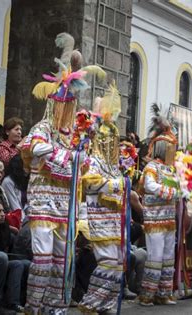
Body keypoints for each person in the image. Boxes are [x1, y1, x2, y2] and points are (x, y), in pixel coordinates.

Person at [21, 32, 105, 315]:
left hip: (64, 206)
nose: (66, 109)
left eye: (70, 105)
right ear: (53, 105)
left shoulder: (76, 137)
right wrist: (69, 157)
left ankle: (55, 308)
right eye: (62, 105)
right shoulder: (43, 128)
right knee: (43, 261)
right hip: (43, 203)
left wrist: (77, 156)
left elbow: (85, 166)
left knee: (62, 261)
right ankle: (33, 307)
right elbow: (34, 147)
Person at [78, 86, 125, 314]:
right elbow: (89, 182)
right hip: (98, 218)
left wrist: (118, 184)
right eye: (108, 139)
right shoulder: (94, 159)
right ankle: (90, 302)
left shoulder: (113, 165)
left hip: (115, 221)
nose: (112, 144)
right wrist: (116, 185)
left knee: (118, 265)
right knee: (107, 262)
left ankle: (107, 304)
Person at [138, 104, 179, 306]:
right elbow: (150, 186)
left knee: (168, 255)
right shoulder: (151, 167)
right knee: (155, 256)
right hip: (154, 220)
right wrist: (172, 192)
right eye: (171, 148)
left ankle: (164, 293)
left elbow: (180, 187)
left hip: (169, 220)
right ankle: (148, 294)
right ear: (164, 148)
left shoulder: (171, 170)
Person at [0, 201, 27, 313]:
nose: (3, 214)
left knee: (19, 264)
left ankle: (13, 303)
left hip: (3, 259)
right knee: (2, 257)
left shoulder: (4, 227)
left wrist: (14, 230)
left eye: (3, 211)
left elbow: (11, 241)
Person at [1, 155, 29, 229]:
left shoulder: (22, 180)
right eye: (25, 166)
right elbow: (14, 206)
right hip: (14, 221)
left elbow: (26, 203)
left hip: (26, 218)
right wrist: (24, 223)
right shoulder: (8, 182)